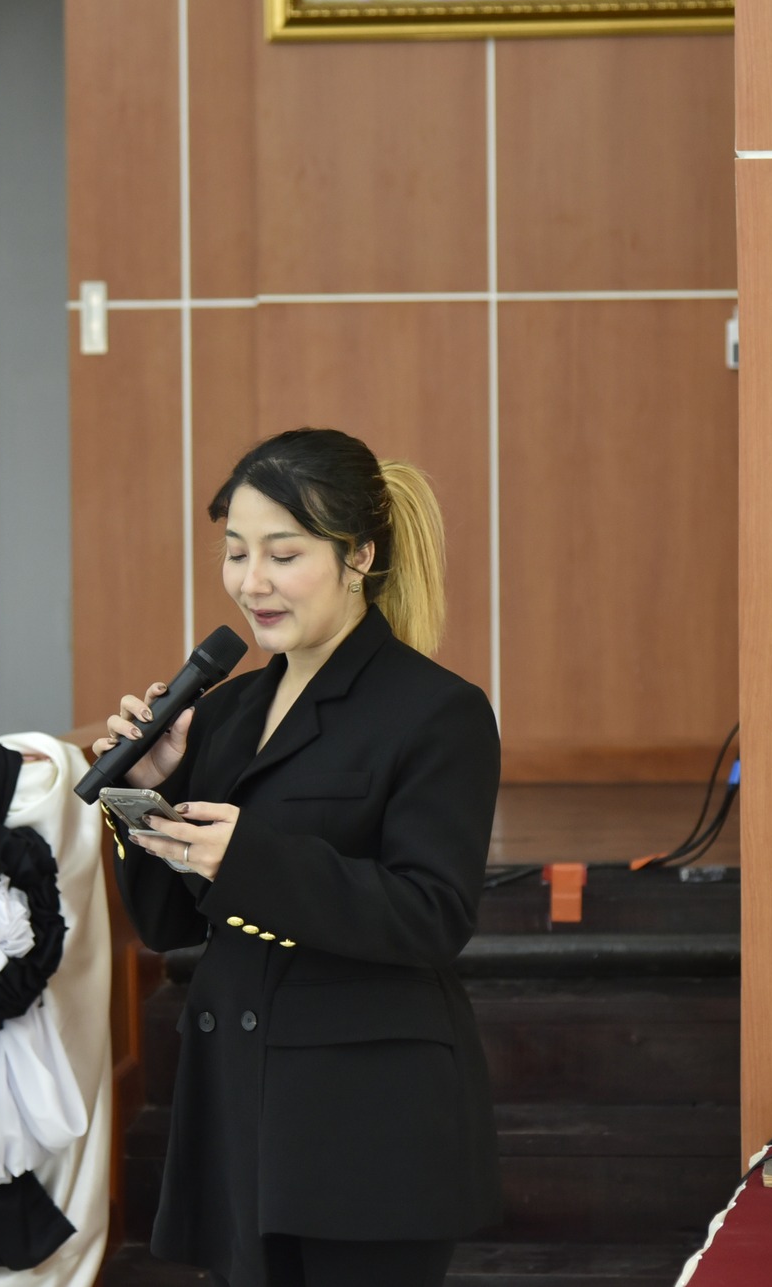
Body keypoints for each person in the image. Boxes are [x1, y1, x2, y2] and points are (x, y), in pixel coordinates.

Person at [91, 428, 502, 1287]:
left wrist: (247, 857)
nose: (252, 581)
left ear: (359, 556)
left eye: (283, 554)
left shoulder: (438, 712)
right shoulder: (227, 710)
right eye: (237, 552)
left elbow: (431, 914)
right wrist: (147, 796)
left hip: (365, 1121)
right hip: (238, 1111)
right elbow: (169, 925)